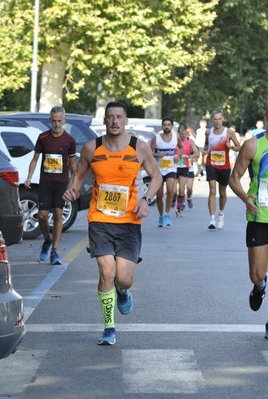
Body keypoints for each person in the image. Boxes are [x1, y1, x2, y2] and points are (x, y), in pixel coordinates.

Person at [63, 101, 161, 345]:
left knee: (124, 278)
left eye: (119, 117)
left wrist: (147, 199)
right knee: (106, 271)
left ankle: (122, 289)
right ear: (104, 121)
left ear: (125, 120)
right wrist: (72, 190)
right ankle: (109, 327)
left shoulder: (139, 147)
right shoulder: (90, 148)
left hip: (130, 221)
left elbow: (156, 176)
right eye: (110, 117)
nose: (115, 121)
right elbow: (79, 175)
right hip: (100, 220)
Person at [229, 98, 268, 340]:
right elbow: (234, 178)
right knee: (257, 273)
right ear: (266, 116)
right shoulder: (252, 145)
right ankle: (260, 286)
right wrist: (245, 197)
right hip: (260, 216)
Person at [25, 106, 77, 265]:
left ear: (64, 120)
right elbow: (35, 159)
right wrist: (29, 177)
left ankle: (54, 252)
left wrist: (73, 184)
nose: (56, 124)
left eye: (59, 121)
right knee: (42, 215)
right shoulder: (43, 138)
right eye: (54, 121)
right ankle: (47, 240)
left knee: (58, 213)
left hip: (61, 183)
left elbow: (74, 167)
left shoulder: (69, 140)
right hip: (45, 182)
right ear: (50, 120)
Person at [203, 110, 241, 229]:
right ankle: (212, 220)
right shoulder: (208, 132)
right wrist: (204, 151)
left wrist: (231, 147)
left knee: (222, 192)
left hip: (224, 166)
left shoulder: (229, 132)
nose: (217, 121)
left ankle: (221, 213)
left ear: (223, 119)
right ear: (212, 120)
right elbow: (206, 146)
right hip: (211, 164)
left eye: (219, 119)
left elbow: (239, 147)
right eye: (215, 119)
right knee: (212, 191)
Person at [150, 117, 183, 227]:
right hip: (159, 170)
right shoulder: (157, 138)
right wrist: (157, 155)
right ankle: (161, 216)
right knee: (159, 195)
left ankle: (167, 214)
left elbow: (181, 148)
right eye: (165, 125)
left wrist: (178, 155)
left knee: (170, 191)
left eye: (169, 125)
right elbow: (149, 152)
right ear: (162, 126)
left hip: (171, 168)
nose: (167, 127)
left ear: (172, 126)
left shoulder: (175, 137)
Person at [175, 123, 200, 215]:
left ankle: (182, 204)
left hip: (187, 167)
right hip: (175, 167)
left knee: (185, 188)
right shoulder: (174, 140)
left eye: (184, 134)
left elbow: (197, 154)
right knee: (173, 191)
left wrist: (189, 157)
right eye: (181, 134)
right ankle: (176, 200)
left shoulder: (190, 142)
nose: (183, 136)